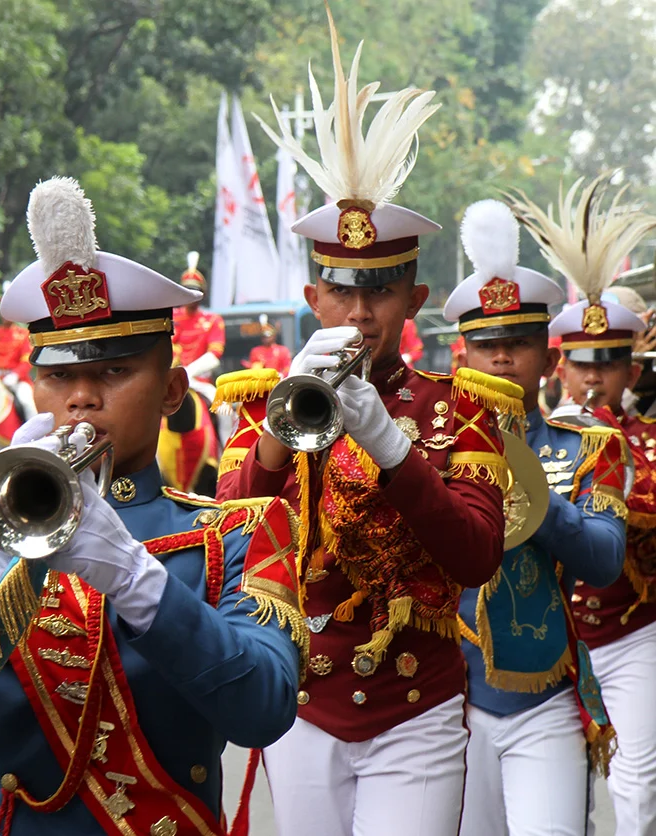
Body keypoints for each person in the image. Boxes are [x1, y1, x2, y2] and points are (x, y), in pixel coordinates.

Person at [0, 177, 306, 835]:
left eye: (114, 373)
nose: (81, 399)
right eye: (59, 376)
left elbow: (263, 708)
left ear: (173, 389)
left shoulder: (235, 532)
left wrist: (135, 578)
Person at [214, 10, 514, 834]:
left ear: (413, 301)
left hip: (414, 702)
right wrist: (282, 423)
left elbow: (476, 555)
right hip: (305, 698)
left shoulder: (458, 411)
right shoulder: (261, 402)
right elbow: (233, 529)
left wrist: (388, 439)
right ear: (311, 299)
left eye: (378, 291)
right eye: (340, 291)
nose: (358, 313)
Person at [444, 198, 626, 836]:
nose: (500, 359)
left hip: (545, 699)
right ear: (461, 357)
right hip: (442, 702)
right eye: (486, 345)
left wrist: (528, 487)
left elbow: (604, 560)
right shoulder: (425, 455)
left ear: (548, 361)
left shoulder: (587, 446)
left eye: (517, 344)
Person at [526, 180, 656, 836]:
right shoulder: (530, 439)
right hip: (546, 629)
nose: (593, 378)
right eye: (582, 363)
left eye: (609, 363)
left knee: (640, 776)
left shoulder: (650, 442)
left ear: (632, 371)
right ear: (559, 367)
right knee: (554, 787)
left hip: (633, 629)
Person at [171, 251, 226, 397]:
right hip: (169, 379)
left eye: (195, 291)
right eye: (187, 291)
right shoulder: (170, 316)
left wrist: (187, 373)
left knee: (222, 408)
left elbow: (215, 354)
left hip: (198, 379)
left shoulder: (212, 320)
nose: (191, 296)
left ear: (203, 294)